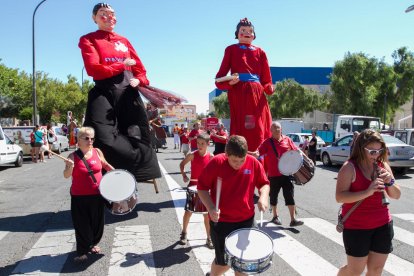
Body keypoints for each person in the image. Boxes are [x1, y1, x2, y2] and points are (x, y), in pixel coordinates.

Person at [79, 3, 161, 182]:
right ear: (94, 18)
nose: (109, 17)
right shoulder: (88, 39)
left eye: (112, 14)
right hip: (103, 91)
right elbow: (94, 69)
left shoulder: (123, 41)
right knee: (101, 135)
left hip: (127, 93)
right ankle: (106, 173)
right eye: (103, 14)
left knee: (139, 133)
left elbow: (140, 70)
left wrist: (139, 80)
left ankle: (137, 175)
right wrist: (121, 65)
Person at [197, 135, 270, 276]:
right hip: (222, 221)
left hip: (246, 220)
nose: (239, 164)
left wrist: (263, 197)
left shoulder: (253, 162)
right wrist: (211, 207)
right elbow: (202, 188)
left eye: (242, 160)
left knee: (243, 262)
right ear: (226, 154)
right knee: (223, 262)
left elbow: (264, 184)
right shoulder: (217, 162)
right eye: (234, 161)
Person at [336, 129, 401, 275]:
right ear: (361, 149)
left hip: (383, 224)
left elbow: (397, 195)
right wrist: (367, 192)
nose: (376, 154)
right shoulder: (349, 168)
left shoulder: (382, 165)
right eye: (371, 151)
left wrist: (389, 181)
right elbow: (340, 197)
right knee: (354, 271)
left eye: (379, 150)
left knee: (376, 269)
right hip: (357, 227)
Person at [215, 18, 274, 152]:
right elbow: (219, 78)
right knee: (245, 125)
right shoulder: (231, 50)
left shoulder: (261, 52)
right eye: (243, 30)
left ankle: (259, 156)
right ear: (237, 34)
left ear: (254, 35)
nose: (247, 33)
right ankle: (240, 156)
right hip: (239, 92)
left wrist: (268, 87)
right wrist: (230, 82)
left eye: (250, 31)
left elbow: (267, 79)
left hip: (257, 94)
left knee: (258, 125)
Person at [63, 127, 114, 262]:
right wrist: (70, 167)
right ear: (78, 140)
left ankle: (92, 244)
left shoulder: (97, 152)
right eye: (86, 138)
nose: (90, 141)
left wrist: (119, 176)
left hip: (97, 195)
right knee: (82, 224)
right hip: (79, 197)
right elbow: (66, 176)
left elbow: (105, 165)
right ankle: (82, 251)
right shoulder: (72, 157)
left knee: (97, 224)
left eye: (92, 138)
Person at [254, 122, 304, 227]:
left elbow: (295, 151)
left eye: (278, 128)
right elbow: (258, 153)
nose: (276, 130)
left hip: (287, 174)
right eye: (274, 128)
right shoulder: (267, 142)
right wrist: (251, 153)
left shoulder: (287, 140)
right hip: (273, 175)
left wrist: (303, 155)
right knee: (273, 196)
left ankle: (293, 219)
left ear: (281, 129)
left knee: (290, 196)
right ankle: (275, 216)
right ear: (270, 131)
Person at [179, 133, 214, 249]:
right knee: (188, 212)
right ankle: (184, 233)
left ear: (208, 144)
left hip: (206, 188)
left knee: (207, 215)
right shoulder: (192, 155)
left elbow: (217, 171)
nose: (199, 145)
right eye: (198, 143)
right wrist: (184, 175)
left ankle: (209, 238)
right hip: (193, 185)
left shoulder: (211, 157)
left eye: (202, 143)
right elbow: (182, 164)